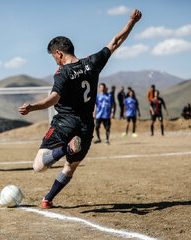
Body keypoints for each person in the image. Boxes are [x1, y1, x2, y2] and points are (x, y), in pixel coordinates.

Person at [18, 9, 142, 208]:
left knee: (38, 166)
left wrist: (32, 107)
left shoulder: (62, 73)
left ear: (59, 53)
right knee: (70, 167)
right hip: (86, 125)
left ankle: (66, 149)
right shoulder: (92, 63)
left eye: (54, 57)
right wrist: (132, 22)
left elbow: (53, 98)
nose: (55, 61)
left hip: (64, 123)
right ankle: (47, 199)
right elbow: (116, 42)